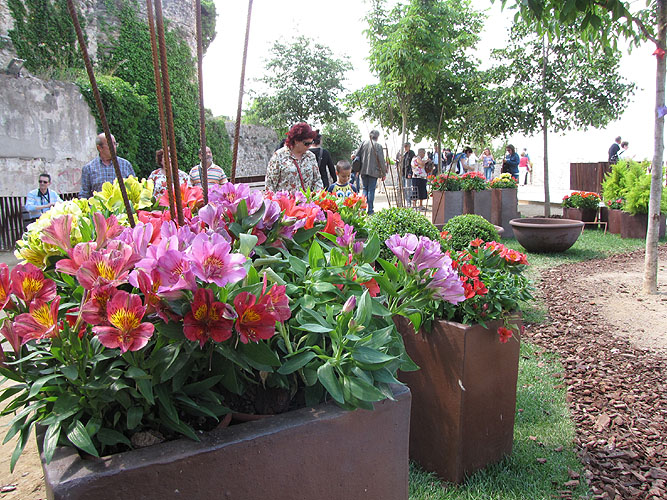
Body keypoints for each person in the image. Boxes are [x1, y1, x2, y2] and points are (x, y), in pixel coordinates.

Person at [266, 122, 323, 193]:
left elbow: (317, 180)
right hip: (285, 199)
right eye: (306, 143)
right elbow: (270, 184)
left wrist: (318, 195)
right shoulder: (279, 156)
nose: (309, 146)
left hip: (307, 200)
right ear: (296, 141)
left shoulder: (311, 156)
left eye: (311, 143)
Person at [79, 132, 135, 199]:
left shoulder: (125, 165)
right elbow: (84, 195)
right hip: (99, 205)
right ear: (100, 148)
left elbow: (134, 188)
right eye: (110, 144)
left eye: (115, 144)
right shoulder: (89, 168)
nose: (114, 147)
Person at [353, 130, 386, 215]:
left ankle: (363, 209)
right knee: (371, 190)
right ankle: (370, 210)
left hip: (363, 170)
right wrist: (383, 173)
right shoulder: (378, 146)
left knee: (365, 189)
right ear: (377, 137)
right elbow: (381, 161)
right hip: (374, 172)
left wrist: (357, 170)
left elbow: (356, 155)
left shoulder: (363, 143)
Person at [401, 142, 416, 206]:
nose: (405, 148)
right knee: (404, 187)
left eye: (406, 146)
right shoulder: (405, 154)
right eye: (405, 146)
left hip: (408, 173)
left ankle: (408, 201)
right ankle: (406, 200)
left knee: (408, 188)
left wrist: (410, 173)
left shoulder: (411, 153)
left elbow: (412, 164)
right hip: (403, 172)